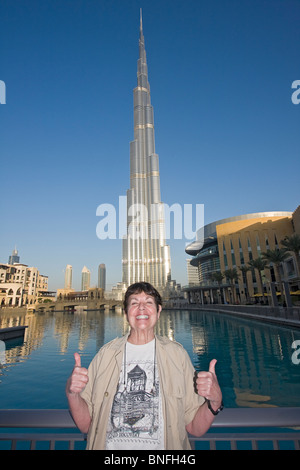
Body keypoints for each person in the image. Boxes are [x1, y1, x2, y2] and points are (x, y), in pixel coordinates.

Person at [66, 282, 223, 450]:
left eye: (148, 302)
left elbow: (195, 428)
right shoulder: (105, 355)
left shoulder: (177, 356)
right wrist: (72, 393)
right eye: (134, 303)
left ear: (158, 310)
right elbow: (86, 425)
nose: (141, 308)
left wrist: (215, 401)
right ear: (126, 313)